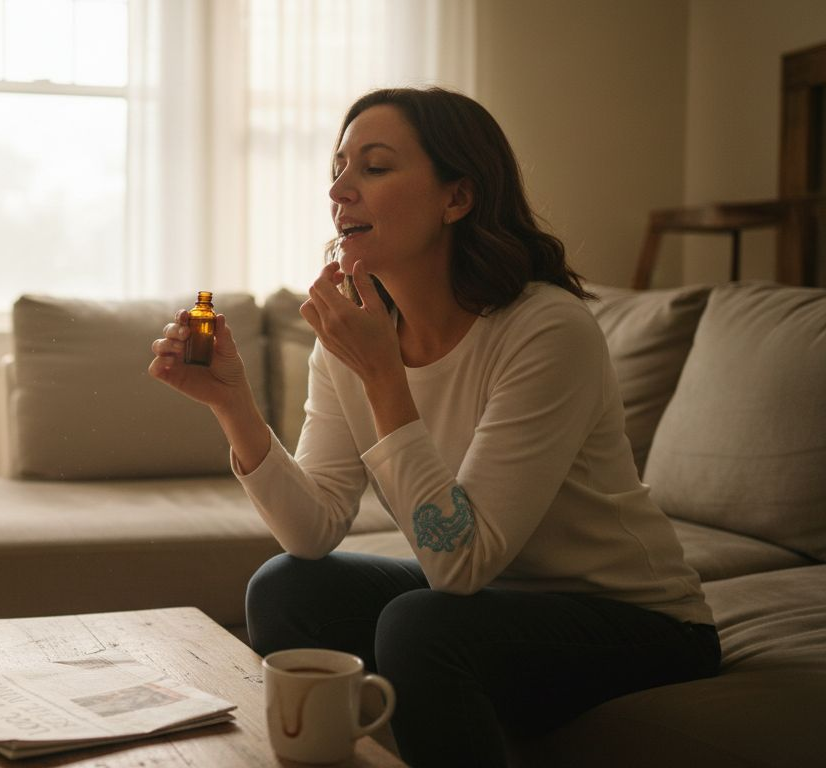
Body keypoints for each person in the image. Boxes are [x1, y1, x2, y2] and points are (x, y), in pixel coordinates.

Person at [147, 87, 720, 767]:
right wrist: (234, 406)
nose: (339, 189)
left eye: (374, 167)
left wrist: (384, 377)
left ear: (458, 198)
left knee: (421, 625)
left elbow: (458, 567)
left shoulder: (545, 329)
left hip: (639, 623)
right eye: (338, 168)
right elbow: (312, 530)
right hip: (490, 598)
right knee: (285, 587)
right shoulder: (354, 335)